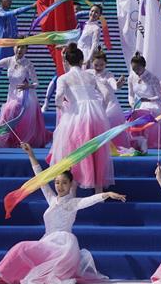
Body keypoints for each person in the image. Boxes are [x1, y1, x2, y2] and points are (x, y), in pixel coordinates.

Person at [0, 143, 125, 284]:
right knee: (22, 249)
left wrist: (106, 194)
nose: (60, 186)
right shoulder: (52, 199)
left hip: (62, 246)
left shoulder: (73, 203)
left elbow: (89, 200)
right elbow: (40, 178)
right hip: (47, 242)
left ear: (71, 184)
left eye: (64, 183)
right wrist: (31, 155)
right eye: (57, 182)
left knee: (21, 247)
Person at [48, 44, 113, 192]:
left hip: (77, 114)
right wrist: (101, 109)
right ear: (82, 60)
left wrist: (62, 106)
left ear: (66, 61)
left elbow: (59, 96)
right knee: (97, 150)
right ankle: (98, 191)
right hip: (96, 114)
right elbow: (106, 94)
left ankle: (72, 191)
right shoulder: (90, 75)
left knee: (74, 150)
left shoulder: (64, 78)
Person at [0, 42, 48, 147]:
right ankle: (8, 138)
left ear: (26, 49)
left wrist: (28, 86)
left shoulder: (28, 64)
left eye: (23, 47)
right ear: (14, 47)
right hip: (12, 93)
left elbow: (36, 83)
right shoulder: (9, 60)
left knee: (13, 108)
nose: (20, 50)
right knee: (9, 111)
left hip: (25, 94)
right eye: (18, 47)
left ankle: (22, 139)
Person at [0, 0, 35, 111]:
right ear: (0, 0)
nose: (10, 1)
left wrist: (22, 38)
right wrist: (31, 6)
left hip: (13, 47)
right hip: (2, 47)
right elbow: (15, 12)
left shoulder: (12, 15)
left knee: (21, 74)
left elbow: (15, 30)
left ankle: (22, 101)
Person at [128, 52, 161, 153]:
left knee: (146, 113)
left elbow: (160, 96)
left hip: (153, 103)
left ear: (143, 66)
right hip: (140, 104)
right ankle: (138, 141)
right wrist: (132, 104)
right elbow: (130, 94)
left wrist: (147, 99)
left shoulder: (152, 78)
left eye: (138, 68)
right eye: (134, 69)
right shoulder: (131, 77)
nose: (136, 71)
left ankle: (148, 141)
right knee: (134, 115)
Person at [87, 51, 130, 153]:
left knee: (110, 126)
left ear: (106, 63)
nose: (99, 67)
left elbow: (114, 86)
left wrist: (118, 84)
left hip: (109, 105)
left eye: (102, 65)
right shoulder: (88, 73)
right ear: (92, 63)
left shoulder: (108, 74)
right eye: (96, 65)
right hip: (94, 104)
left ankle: (111, 147)